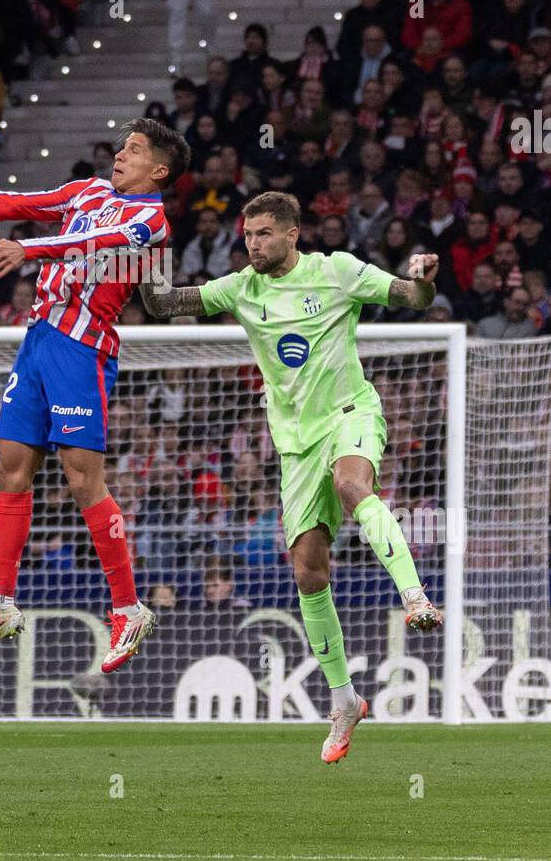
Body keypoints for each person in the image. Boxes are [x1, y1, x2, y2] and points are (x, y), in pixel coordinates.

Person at [140, 189, 443, 766]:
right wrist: (147, 245)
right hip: (295, 445)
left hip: (351, 413)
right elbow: (162, 304)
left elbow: (412, 297)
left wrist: (422, 277)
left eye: (262, 234)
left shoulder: (337, 272)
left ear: (291, 234)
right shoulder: (241, 287)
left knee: (356, 488)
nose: (252, 244)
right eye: (247, 235)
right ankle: (344, 699)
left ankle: (415, 596)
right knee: (307, 572)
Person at [0, 117, 191, 674]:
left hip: (83, 351)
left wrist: (28, 250)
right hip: (38, 339)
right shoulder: (88, 191)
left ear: (159, 169)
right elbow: (14, 201)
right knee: (9, 468)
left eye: (134, 150)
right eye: (121, 146)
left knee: (82, 479)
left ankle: (129, 608)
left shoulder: (150, 220)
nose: (119, 156)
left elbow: (91, 240)